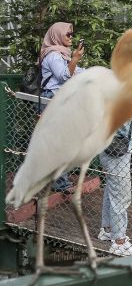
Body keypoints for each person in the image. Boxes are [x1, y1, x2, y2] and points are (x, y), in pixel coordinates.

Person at [39, 21, 85, 192]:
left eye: (72, 34)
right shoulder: (53, 55)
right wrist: (75, 59)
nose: (71, 37)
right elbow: (65, 76)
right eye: (68, 34)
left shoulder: (62, 55)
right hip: (52, 101)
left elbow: (77, 72)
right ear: (57, 35)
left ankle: (54, 181)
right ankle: (60, 184)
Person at [97, 115, 132, 256]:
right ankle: (119, 242)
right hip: (115, 147)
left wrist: (131, 141)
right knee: (121, 194)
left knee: (113, 187)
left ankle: (108, 230)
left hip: (116, 143)